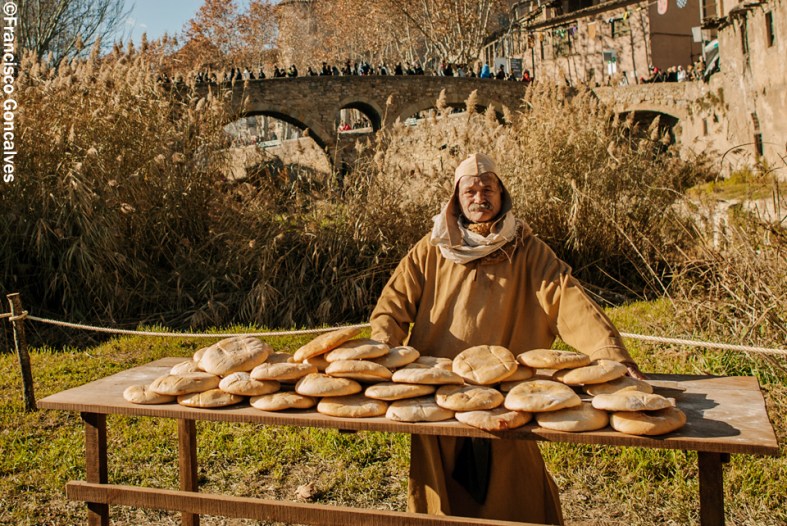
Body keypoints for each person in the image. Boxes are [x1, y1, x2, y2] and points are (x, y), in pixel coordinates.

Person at [370, 152, 644, 524]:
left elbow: (568, 298)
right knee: (439, 495)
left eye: (488, 189)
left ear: (502, 195)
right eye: (470, 190)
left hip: (509, 397)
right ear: (456, 198)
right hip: (438, 393)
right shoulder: (431, 249)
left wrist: (611, 355)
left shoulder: (527, 250)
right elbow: (393, 304)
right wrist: (378, 357)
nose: (479, 197)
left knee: (515, 494)